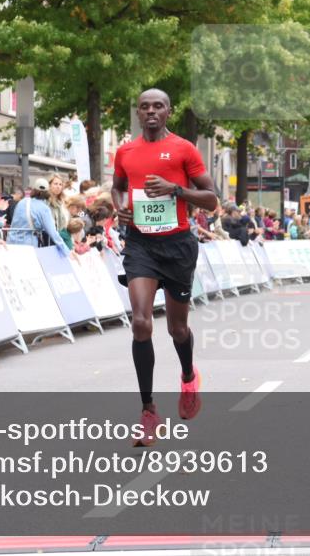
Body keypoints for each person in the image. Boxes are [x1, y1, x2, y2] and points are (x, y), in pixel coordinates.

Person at [111, 89, 218, 445]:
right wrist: (121, 207)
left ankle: (188, 376)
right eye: (145, 106)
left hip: (177, 246)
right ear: (138, 113)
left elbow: (212, 199)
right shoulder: (125, 151)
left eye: (158, 106)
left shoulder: (185, 149)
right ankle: (148, 411)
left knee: (177, 329)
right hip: (140, 243)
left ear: (168, 112)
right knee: (141, 323)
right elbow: (117, 187)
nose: (151, 111)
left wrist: (176, 189)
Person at [6, 178, 68, 249]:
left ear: (34, 190)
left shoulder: (22, 202)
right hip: (28, 245)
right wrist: (66, 250)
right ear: (47, 192)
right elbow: (53, 233)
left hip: (11, 242)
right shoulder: (44, 208)